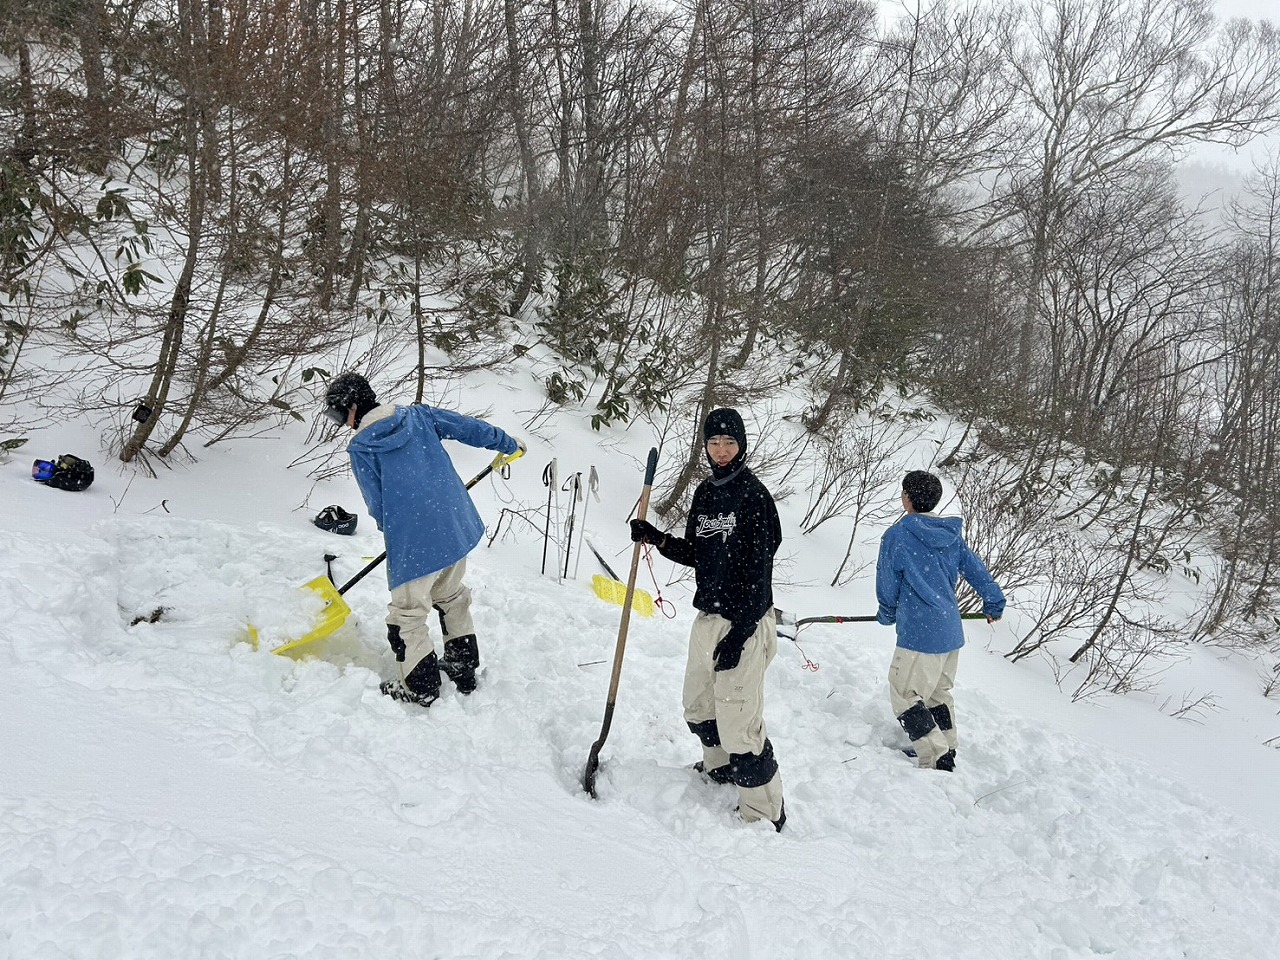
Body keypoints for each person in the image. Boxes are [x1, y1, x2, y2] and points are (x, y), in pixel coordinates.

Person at [322, 371, 523, 707]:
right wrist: (508, 444)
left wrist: (396, 533)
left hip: (414, 539)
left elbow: (377, 503)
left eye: (339, 414)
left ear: (353, 406)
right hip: (454, 523)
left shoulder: (361, 447)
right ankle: (462, 668)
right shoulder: (418, 416)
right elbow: (468, 428)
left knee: (407, 615)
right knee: (451, 595)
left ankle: (421, 687)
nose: (343, 423)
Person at [629, 408, 786, 831]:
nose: (721, 450)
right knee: (699, 706)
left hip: (745, 622)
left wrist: (741, 633)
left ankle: (764, 811)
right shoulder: (705, 493)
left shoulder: (755, 497)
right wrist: (658, 539)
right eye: (713, 442)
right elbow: (699, 553)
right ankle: (720, 769)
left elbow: (760, 574)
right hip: (709, 617)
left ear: (742, 445)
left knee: (739, 722)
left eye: (729, 442)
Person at [875, 470, 1005, 771]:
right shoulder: (950, 535)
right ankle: (947, 746)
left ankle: (935, 755)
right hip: (949, 630)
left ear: (907, 498)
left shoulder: (898, 535)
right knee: (936, 694)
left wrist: (887, 612)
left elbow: (887, 581)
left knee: (905, 694)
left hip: (920, 633)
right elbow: (977, 570)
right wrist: (994, 601)